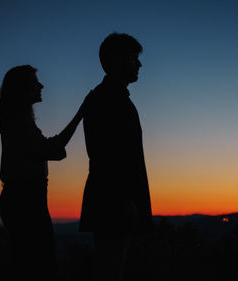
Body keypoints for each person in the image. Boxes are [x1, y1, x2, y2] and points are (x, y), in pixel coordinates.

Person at [0, 65, 83, 281]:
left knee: (28, 264)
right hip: (26, 201)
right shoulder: (19, 123)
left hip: (22, 199)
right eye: (35, 82)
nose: (41, 86)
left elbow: (49, 148)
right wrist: (80, 115)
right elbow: (53, 150)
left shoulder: (20, 122)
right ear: (21, 89)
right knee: (40, 267)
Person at [79, 33, 153, 281]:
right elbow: (110, 157)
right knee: (111, 270)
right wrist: (127, 201)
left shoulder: (110, 98)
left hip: (116, 202)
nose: (139, 64)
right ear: (118, 60)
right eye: (134, 58)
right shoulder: (108, 100)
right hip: (115, 203)